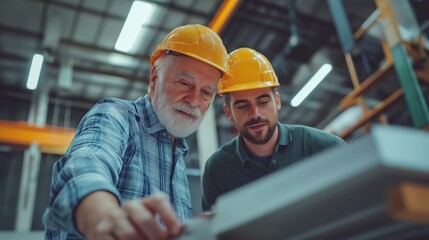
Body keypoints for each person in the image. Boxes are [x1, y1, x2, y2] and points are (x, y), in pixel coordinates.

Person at [43, 24, 229, 240]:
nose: (194, 100)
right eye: (184, 83)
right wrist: (104, 217)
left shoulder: (177, 154)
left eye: (207, 92)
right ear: (154, 78)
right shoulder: (116, 115)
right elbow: (86, 167)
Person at [201, 48, 346, 211]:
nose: (255, 114)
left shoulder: (323, 147)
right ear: (229, 112)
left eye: (263, 102)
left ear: (277, 101)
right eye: (242, 106)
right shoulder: (217, 169)